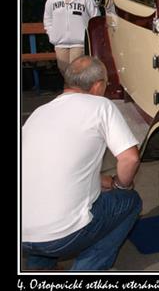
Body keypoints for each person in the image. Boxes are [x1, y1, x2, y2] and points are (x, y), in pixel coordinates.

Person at [21, 56, 142, 271]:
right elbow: (129, 158)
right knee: (129, 201)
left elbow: (49, 167)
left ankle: (39, 270)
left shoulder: (38, 113)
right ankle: (87, 271)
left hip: (24, 236)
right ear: (97, 86)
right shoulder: (100, 105)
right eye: (106, 83)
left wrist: (104, 181)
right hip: (63, 235)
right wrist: (122, 186)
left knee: (44, 224)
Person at [43, 0, 100, 75]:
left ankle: (76, 91)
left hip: (79, 43)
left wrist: (88, 37)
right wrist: (52, 35)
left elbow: (95, 18)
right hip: (60, 43)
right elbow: (47, 18)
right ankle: (70, 91)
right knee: (64, 71)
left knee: (76, 71)